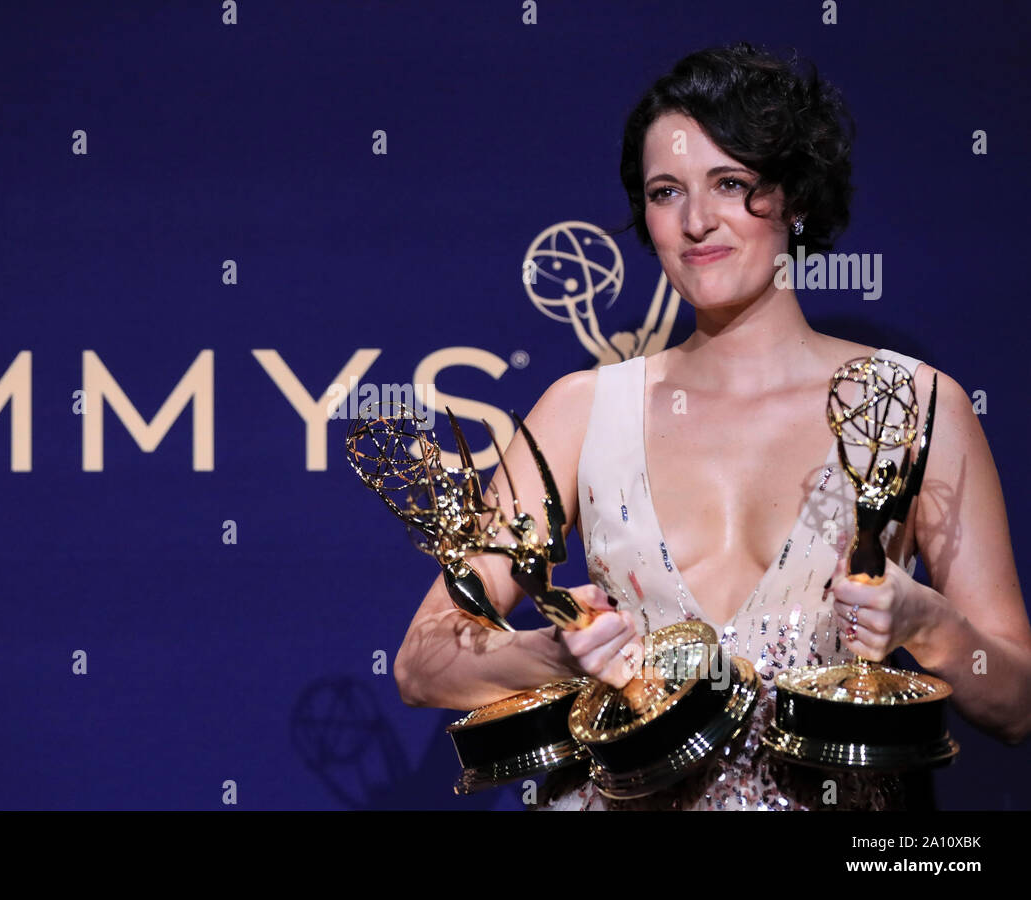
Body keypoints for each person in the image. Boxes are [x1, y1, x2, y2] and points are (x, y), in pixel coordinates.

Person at [392, 42, 1031, 810]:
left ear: (793, 197)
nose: (697, 221)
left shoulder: (913, 404)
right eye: (666, 193)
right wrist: (554, 651)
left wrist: (925, 621)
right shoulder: (581, 410)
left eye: (730, 183)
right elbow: (421, 663)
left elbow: (1017, 703)